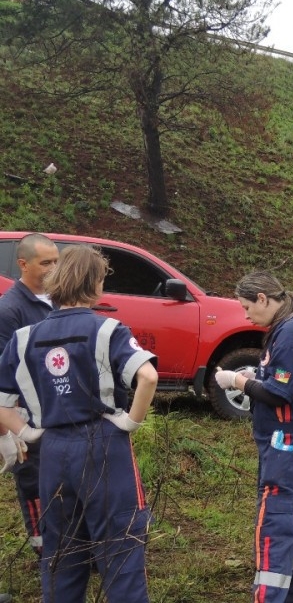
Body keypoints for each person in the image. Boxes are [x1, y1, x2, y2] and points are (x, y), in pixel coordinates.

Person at [0, 245, 157, 603]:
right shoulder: (108, 330)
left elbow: (1, 400)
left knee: (62, 554)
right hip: (103, 445)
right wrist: (131, 421)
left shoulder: (25, 338)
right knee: (121, 548)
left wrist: (27, 432)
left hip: (52, 452)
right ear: (96, 283)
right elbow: (147, 376)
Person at [216, 270, 293, 601]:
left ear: (263, 299)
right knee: (290, 525)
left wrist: (238, 382)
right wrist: (256, 374)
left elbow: (279, 393)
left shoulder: (290, 333)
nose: (245, 315)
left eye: (247, 307)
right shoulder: (289, 328)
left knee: (273, 530)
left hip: (286, 443)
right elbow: (283, 377)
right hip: (284, 442)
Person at [0, 234, 59, 573]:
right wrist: (8, 430)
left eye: (56, 261)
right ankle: (46, 552)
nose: (53, 269)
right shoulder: (10, 310)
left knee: (64, 484)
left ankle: (71, 546)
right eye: (45, 263)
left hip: (58, 412)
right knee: (34, 485)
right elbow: (3, 374)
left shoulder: (57, 299)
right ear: (23, 264)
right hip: (26, 418)